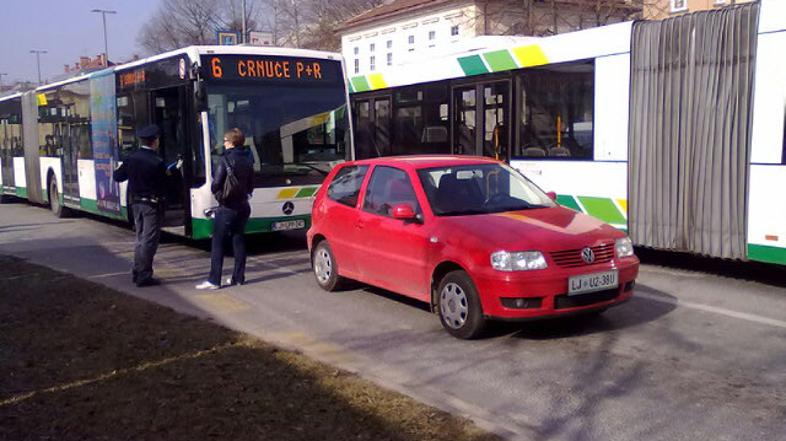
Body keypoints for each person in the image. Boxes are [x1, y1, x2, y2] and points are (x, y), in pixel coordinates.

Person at [196, 128, 254, 290]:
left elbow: (216, 184)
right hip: (243, 206)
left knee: (218, 243)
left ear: (231, 142)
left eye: (225, 140)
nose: (224, 143)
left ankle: (214, 280)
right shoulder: (249, 158)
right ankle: (238, 277)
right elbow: (251, 184)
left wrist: (219, 195)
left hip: (227, 207)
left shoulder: (225, 159)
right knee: (239, 239)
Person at [113, 124, 168, 287]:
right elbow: (164, 185)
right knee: (149, 240)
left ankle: (137, 271)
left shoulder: (132, 158)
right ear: (155, 141)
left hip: (135, 203)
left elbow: (118, 176)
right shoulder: (157, 162)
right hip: (151, 205)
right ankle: (144, 274)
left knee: (139, 238)